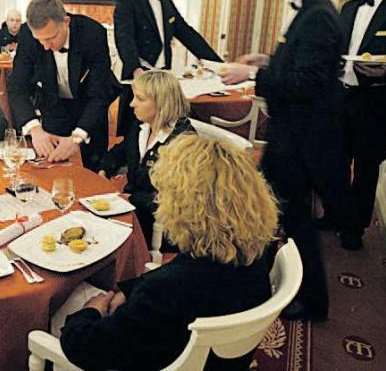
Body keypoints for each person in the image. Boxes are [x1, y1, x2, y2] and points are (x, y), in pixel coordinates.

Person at [221, 0, 359, 320]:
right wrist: (267, 60)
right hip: (290, 136)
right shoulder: (311, 12)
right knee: (268, 211)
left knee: (293, 219)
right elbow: (300, 64)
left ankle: (312, 301)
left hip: (300, 140)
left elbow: (305, 84)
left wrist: (252, 74)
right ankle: (257, 281)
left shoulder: (318, 17)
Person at [58, 134, 278, 371]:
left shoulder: (163, 292)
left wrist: (90, 311)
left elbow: (84, 347)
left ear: (183, 208)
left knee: (63, 308)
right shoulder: (253, 250)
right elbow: (180, 275)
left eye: (163, 194)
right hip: (222, 356)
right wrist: (129, 290)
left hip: (169, 359)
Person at [318, 0, 386, 240]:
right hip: (341, 95)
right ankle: (333, 214)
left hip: (375, 101)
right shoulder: (348, 8)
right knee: (334, 161)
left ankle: (354, 228)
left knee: (365, 168)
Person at [113, 0, 222, 135]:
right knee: (134, 131)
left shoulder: (166, 3)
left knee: (163, 128)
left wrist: (217, 63)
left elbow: (188, 34)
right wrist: (135, 69)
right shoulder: (127, 1)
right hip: (141, 75)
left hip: (164, 77)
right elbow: (124, 38)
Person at [8, 0, 121, 170]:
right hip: (53, 106)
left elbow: (100, 92)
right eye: (40, 40)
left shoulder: (92, 33)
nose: (45, 46)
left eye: (51, 37)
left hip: (89, 107)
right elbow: (17, 88)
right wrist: (35, 128)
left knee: (92, 169)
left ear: (66, 22)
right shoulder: (27, 35)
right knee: (53, 168)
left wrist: (78, 137)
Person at [98, 69, 194, 246]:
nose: (131, 104)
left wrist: (130, 199)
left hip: (160, 224)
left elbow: (175, 200)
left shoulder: (184, 143)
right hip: (132, 207)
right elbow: (120, 151)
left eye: (140, 99)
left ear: (162, 102)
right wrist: (104, 170)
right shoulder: (142, 126)